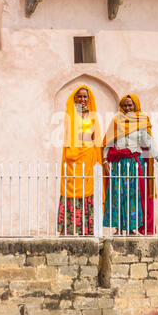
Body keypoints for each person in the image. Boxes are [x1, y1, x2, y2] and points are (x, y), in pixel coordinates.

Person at [102, 94, 158, 235]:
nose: (127, 108)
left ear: (136, 106)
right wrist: (105, 160)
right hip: (119, 164)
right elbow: (108, 141)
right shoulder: (116, 120)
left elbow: (149, 141)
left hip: (134, 163)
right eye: (125, 105)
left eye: (130, 105)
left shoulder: (141, 120)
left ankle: (131, 228)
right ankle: (118, 228)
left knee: (133, 195)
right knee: (118, 194)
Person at [58, 85, 102, 235]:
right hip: (73, 159)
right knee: (71, 189)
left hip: (88, 157)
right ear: (75, 98)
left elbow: (96, 138)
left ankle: (87, 229)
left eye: (85, 97)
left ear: (89, 99)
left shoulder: (93, 116)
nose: (82, 99)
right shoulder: (70, 115)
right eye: (80, 97)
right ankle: (70, 229)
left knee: (87, 191)